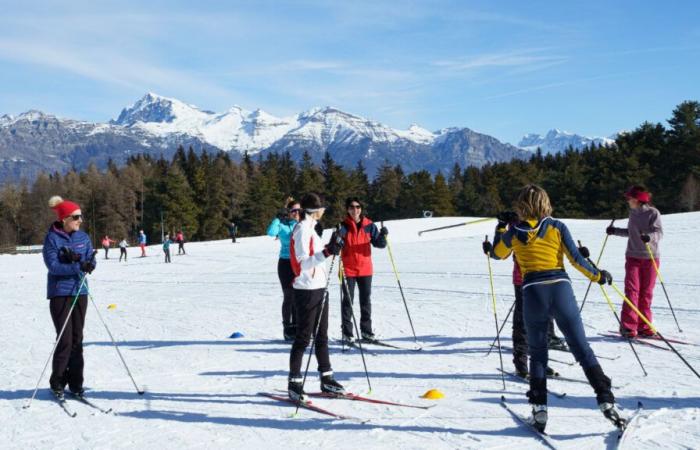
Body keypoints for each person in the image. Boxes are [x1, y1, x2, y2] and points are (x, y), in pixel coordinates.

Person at [486, 184, 624, 432]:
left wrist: (500, 227)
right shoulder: (557, 226)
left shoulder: (514, 232)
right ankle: (606, 400)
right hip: (561, 289)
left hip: (532, 292)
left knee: (538, 354)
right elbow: (577, 260)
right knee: (582, 349)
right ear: (545, 203)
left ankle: (539, 410)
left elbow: (496, 254)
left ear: (521, 205)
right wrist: (599, 276)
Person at [287, 193, 345, 401]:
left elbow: (319, 255)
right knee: (303, 337)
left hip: (320, 286)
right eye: (322, 208)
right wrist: (328, 252)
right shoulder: (302, 229)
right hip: (306, 289)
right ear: (314, 211)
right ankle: (294, 382)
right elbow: (302, 263)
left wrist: (333, 246)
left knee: (322, 335)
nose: (324, 211)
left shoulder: (312, 229)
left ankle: (326, 378)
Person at [42, 196, 97, 399]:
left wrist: (89, 264)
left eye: (80, 216)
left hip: (80, 291)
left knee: (77, 339)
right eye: (76, 217)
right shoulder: (52, 238)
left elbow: (90, 257)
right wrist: (76, 265)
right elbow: (53, 266)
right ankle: (57, 380)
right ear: (65, 218)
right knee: (64, 339)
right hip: (60, 293)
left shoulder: (83, 237)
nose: (80, 220)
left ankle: (75, 383)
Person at [606, 186, 663, 338]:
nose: (628, 200)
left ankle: (644, 326)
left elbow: (658, 232)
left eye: (630, 198)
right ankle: (628, 327)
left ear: (638, 200)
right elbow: (631, 233)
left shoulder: (653, 213)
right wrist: (614, 231)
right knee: (632, 291)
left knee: (646, 293)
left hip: (650, 258)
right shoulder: (632, 214)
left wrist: (649, 237)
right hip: (633, 257)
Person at [337, 197, 387, 343]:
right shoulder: (342, 226)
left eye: (358, 207)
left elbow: (379, 244)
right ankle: (347, 332)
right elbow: (334, 245)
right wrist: (336, 241)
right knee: (348, 301)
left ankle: (366, 331)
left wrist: (383, 235)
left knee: (365, 301)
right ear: (347, 209)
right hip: (347, 269)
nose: (355, 210)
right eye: (352, 207)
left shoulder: (369, 225)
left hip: (365, 269)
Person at [510, 256, 568, 378]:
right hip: (523, 280)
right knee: (522, 324)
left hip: (544, 278)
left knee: (542, 322)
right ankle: (521, 365)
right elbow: (502, 251)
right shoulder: (514, 235)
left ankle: (540, 363)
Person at [267, 198, 301, 341]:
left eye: (299, 210)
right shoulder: (283, 224)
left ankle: (297, 326)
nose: (297, 213)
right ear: (288, 212)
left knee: (298, 297)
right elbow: (270, 232)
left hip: (300, 263)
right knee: (289, 296)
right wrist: (277, 218)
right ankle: (287, 328)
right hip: (286, 263)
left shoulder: (303, 224)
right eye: (294, 211)